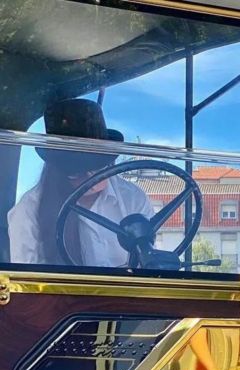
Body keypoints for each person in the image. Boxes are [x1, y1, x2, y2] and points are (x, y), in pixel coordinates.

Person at [8, 99, 153, 267]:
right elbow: (26, 282)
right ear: (58, 171)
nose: (91, 179)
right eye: (77, 172)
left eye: (98, 167)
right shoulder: (29, 210)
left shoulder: (132, 198)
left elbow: (147, 262)